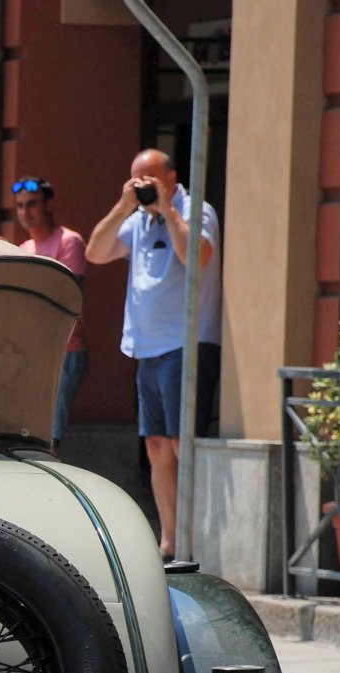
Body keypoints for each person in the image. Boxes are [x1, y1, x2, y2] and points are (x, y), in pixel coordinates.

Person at [86, 148, 222, 560]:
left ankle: (197, 539)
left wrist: (167, 208)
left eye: (151, 180)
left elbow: (194, 257)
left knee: (183, 445)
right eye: (136, 180)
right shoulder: (138, 220)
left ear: (172, 177)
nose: (144, 187)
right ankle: (171, 541)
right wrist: (123, 205)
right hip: (147, 347)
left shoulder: (195, 210)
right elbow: (96, 251)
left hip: (186, 342)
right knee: (158, 448)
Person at [14, 177, 89, 454]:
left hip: (65, 351)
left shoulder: (69, 242)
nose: (25, 212)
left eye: (32, 204)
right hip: (32, 352)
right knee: (30, 432)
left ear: (49, 205)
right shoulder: (23, 250)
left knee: (50, 436)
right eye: (20, 206)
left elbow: (67, 297)